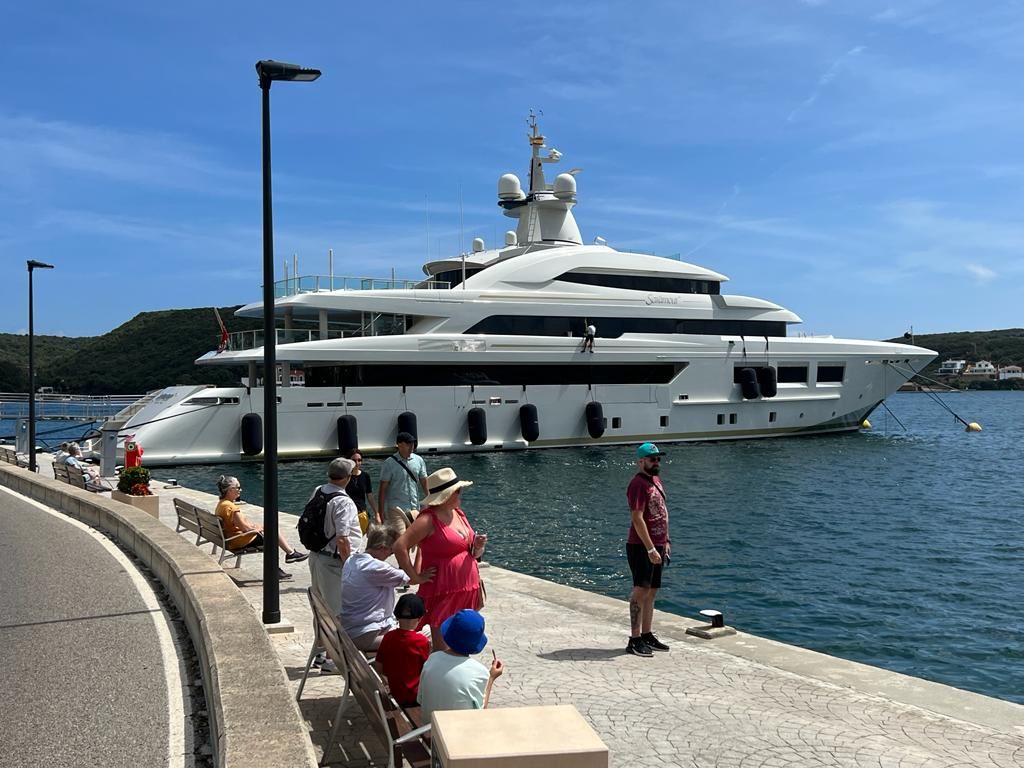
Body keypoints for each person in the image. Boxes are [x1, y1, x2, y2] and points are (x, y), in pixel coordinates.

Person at [394, 467, 486, 651]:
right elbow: (399, 546)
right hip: (443, 591)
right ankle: (438, 678)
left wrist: (477, 546)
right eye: (458, 491)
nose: (461, 494)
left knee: (463, 642)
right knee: (443, 646)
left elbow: (465, 548)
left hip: (466, 588)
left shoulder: (458, 513)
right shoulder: (428, 520)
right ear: (447, 494)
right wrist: (415, 577)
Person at [340, 525, 426, 652]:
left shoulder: (352, 560)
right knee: (425, 637)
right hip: (366, 635)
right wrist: (421, 548)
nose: (392, 555)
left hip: (353, 629)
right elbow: (414, 578)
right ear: (382, 548)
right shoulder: (375, 568)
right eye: (392, 551)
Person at [625, 442, 672, 657]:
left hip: (659, 544)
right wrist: (650, 548)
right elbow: (637, 518)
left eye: (658, 458)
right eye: (652, 459)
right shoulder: (637, 484)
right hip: (641, 546)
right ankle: (634, 639)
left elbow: (663, 512)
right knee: (640, 590)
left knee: (652, 591)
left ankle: (646, 634)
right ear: (641, 461)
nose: (656, 462)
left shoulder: (656, 481)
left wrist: (666, 541)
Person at [418, 609, 504, 723]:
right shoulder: (479, 672)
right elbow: (481, 711)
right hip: (454, 735)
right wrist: (491, 678)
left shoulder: (432, 658)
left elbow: (421, 699)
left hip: (428, 728)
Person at [214, 476, 307, 581]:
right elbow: (246, 529)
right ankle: (289, 555)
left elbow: (242, 526)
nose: (240, 490)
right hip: (239, 540)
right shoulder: (231, 507)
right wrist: (258, 528)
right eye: (238, 487)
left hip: (232, 538)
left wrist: (257, 527)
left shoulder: (221, 504)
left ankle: (286, 559)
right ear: (230, 490)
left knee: (269, 529)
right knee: (272, 532)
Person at [374, 594, 431, 713]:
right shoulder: (421, 641)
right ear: (420, 619)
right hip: (415, 696)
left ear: (397, 617)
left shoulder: (388, 637)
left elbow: (378, 667)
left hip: (396, 691)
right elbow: (427, 671)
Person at [377, 432, 428, 535]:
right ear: (399, 445)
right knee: (401, 537)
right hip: (396, 508)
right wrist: (381, 513)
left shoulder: (419, 460)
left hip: (414, 506)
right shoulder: (389, 463)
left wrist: (431, 500)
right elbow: (383, 489)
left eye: (413, 443)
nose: (411, 446)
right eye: (408, 444)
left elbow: (424, 482)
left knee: (416, 540)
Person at [345, 448, 378, 532]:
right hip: (347, 514)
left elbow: (369, 496)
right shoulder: (344, 476)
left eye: (359, 460)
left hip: (361, 514)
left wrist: (377, 513)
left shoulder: (365, 476)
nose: (357, 463)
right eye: (354, 460)